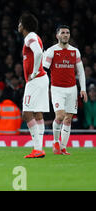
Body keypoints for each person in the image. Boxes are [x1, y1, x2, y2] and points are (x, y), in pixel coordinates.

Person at [43, 25, 87, 155]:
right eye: (63, 33)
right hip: (57, 88)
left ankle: (63, 147)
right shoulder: (52, 51)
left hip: (72, 89)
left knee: (68, 119)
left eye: (67, 33)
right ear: (57, 36)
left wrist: (83, 89)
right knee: (60, 116)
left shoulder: (75, 51)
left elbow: (81, 72)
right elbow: (44, 70)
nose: (66, 35)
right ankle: (55, 141)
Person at [18, 13, 49, 158]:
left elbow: (38, 53)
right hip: (42, 79)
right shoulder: (35, 36)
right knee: (37, 113)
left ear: (24, 25)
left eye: (20, 23)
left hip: (36, 80)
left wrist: (35, 72)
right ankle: (39, 149)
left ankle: (37, 148)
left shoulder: (30, 37)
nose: (18, 25)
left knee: (26, 113)